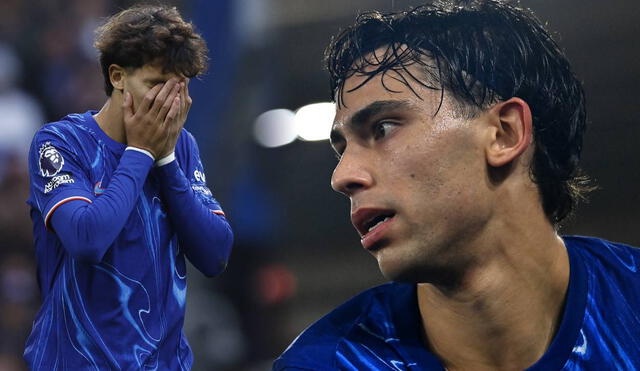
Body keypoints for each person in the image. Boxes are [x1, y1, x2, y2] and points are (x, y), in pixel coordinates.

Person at [274, 1, 640, 370]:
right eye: (342, 151)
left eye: (382, 128)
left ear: (503, 134)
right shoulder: (328, 362)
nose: (342, 177)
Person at [25, 5, 233, 370]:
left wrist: (166, 161)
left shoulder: (181, 147)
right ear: (118, 76)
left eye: (178, 88)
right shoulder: (59, 143)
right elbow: (87, 239)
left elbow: (215, 254)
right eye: (155, 85)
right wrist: (140, 152)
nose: (167, 104)